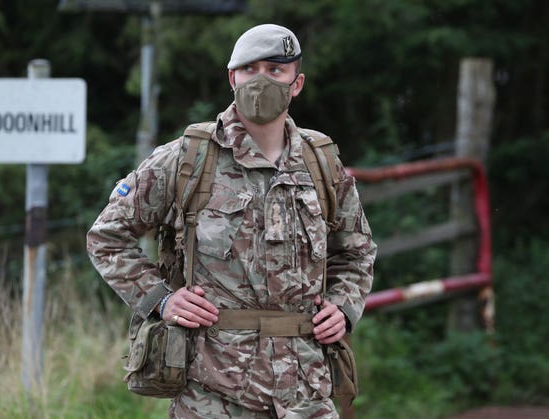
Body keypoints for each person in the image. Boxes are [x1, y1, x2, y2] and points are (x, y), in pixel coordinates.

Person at [87, 23, 377, 419]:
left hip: (305, 390)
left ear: (297, 83)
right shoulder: (187, 159)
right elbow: (106, 237)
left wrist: (343, 307)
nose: (261, 80)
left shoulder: (321, 163)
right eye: (249, 69)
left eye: (275, 70)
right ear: (232, 78)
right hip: (213, 392)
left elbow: (356, 250)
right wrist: (162, 299)